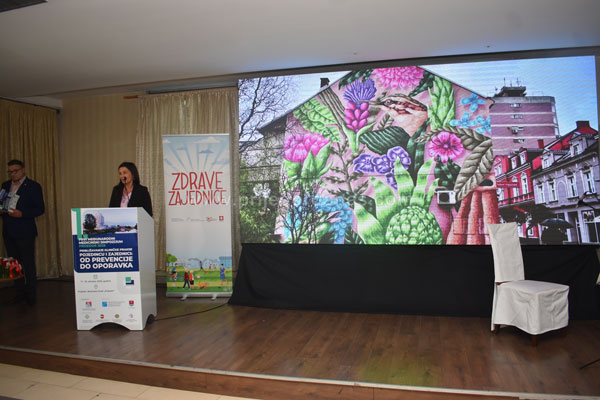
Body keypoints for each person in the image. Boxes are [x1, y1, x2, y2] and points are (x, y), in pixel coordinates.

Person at [1, 160, 45, 305]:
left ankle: (31, 295)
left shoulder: (33, 186)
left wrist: (22, 213)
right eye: (10, 172)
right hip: (8, 230)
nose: (13, 174)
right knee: (14, 264)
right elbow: (1, 203)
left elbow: (40, 209)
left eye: (16, 171)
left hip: (25, 231)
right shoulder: (5, 186)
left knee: (28, 263)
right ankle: (19, 293)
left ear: (23, 170)